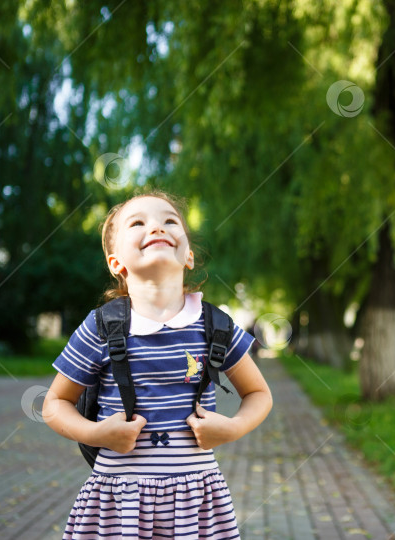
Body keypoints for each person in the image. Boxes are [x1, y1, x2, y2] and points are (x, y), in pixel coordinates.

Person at [43, 190, 272, 539]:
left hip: (196, 502)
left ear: (189, 256)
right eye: (138, 222)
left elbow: (259, 393)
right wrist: (96, 433)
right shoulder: (101, 327)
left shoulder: (216, 326)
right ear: (116, 263)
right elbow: (54, 404)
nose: (157, 227)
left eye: (170, 221)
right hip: (119, 503)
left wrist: (233, 428)